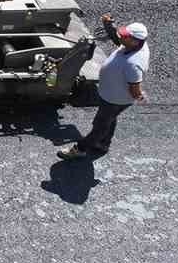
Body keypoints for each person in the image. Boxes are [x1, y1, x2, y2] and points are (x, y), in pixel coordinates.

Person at [59, 17, 148, 160]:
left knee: (100, 126)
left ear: (134, 41)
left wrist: (139, 95)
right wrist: (110, 26)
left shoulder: (133, 64)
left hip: (115, 100)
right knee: (109, 119)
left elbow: (135, 87)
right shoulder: (134, 45)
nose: (121, 36)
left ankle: (80, 149)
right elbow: (118, 39)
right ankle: (103, 145)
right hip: (111, 95)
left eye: (125, 36)